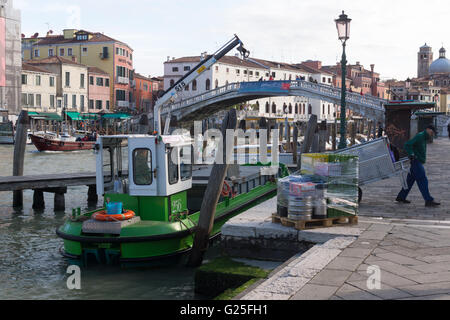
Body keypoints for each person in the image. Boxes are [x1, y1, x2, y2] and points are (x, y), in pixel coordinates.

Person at [396, 125, 440, 207]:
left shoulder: (424, 137)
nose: (432, 134)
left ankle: (401, 197)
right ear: (427, 129)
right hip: (416, 161)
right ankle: (428, 200)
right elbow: (407, 144)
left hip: (417, 161)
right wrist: (411, 154)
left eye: (433, 133)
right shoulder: (420, 136)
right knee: (423, 180)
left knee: (410, 181)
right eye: (431, 132)